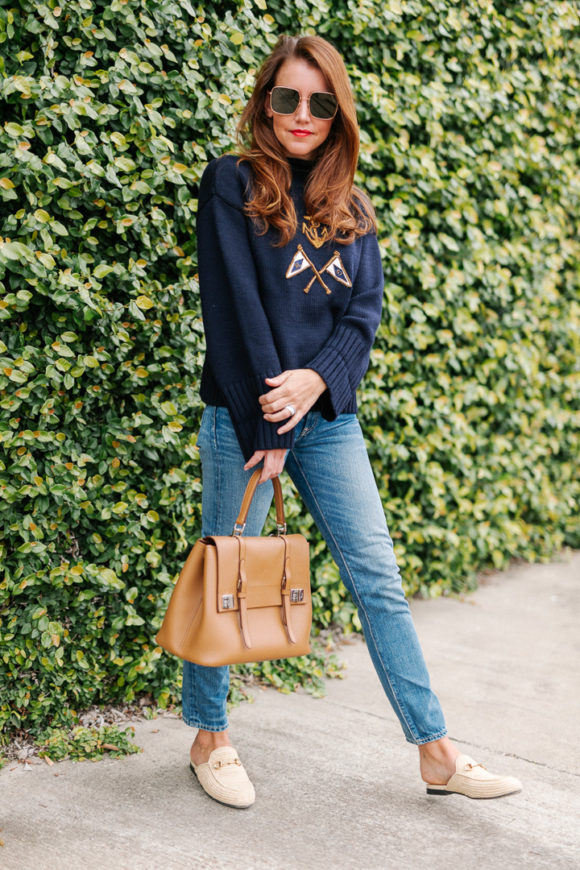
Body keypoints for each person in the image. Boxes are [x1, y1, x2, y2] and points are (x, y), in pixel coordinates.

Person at [185, 33, 522, 808]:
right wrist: (270, 425)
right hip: (247, 418)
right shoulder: (230, 182)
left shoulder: (352, 207)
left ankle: (436, 751)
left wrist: (314, 382)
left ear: (338, 115)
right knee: (225, 578)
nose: (302, 115)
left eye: (320, 103)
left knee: (379, 580)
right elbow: (234, 314)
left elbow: (361, 318)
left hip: (328, 419)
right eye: (287, 98)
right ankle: (209, 736)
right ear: (265, 100)